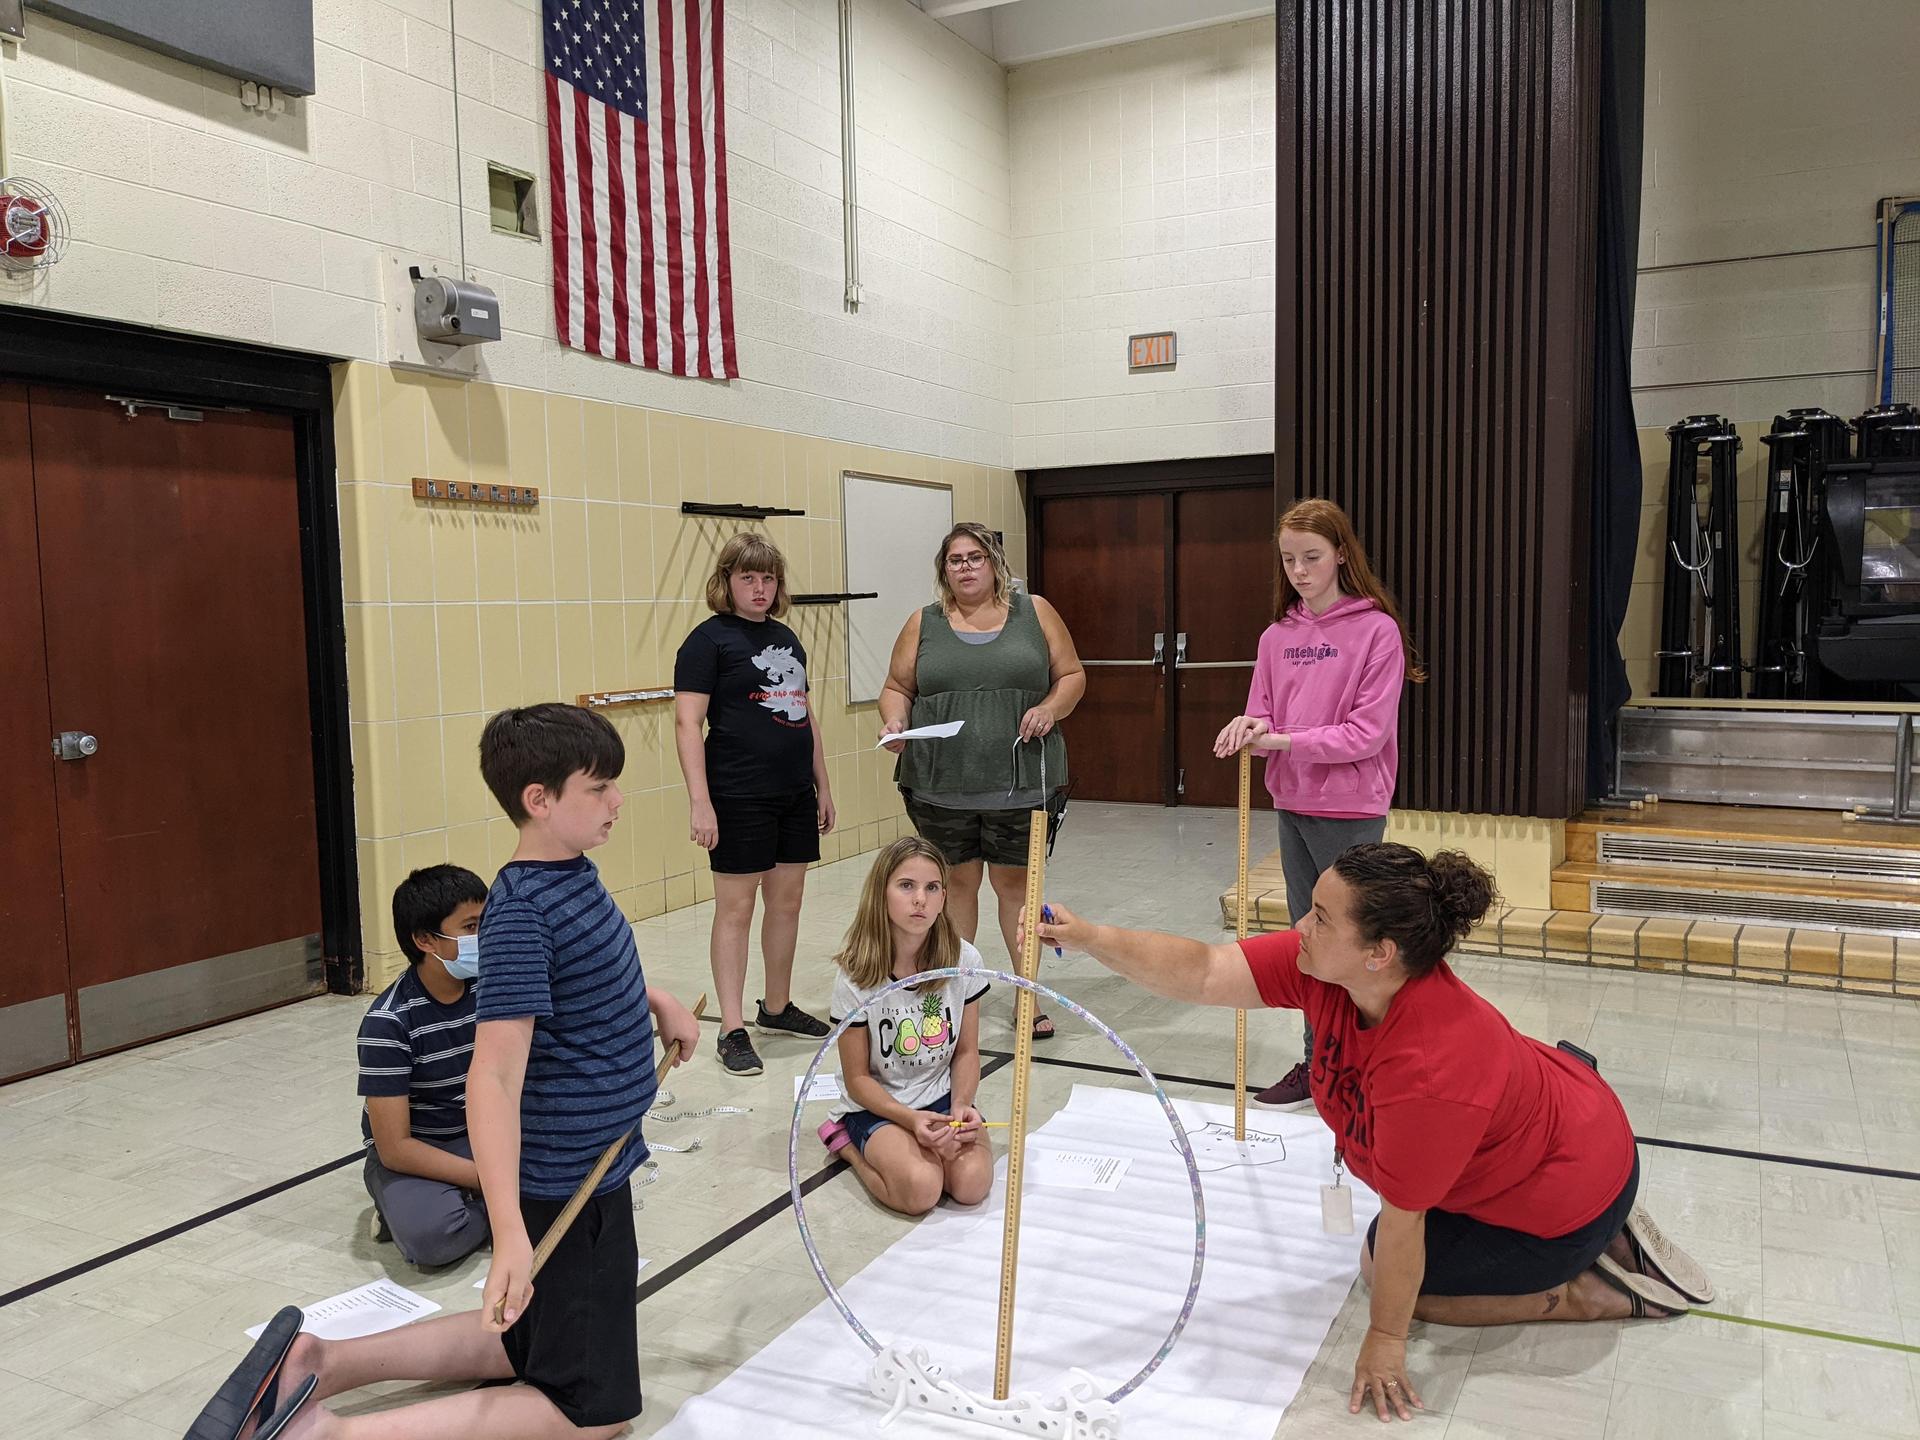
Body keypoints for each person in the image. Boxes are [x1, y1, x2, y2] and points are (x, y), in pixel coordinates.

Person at [1029, 843, 1713, 1425]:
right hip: (1560, 1121)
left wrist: (1386, 1338)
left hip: (1570, 1189)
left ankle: (1585, 1291)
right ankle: (1592, 1225)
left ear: (1381, 953)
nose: (1300, 925)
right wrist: (1092, 939)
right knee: (1397, 1243)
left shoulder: (1430, 1071)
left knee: (1383, 1270)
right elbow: (1207, 973)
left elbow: (1404, 1224)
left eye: (1320, 918)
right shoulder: (1331, 972)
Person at [193, 703, 702, 1440]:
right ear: (540, 800)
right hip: (567, 1179)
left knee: (526, 1336)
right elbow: (490, 1079)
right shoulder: (525, 911)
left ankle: (319, 1361)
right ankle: (326, 1434)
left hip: (592, 1163)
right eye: (599, 787)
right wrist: (511, 1232)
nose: (617, 801)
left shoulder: (567, 878)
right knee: (592, 1414)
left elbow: (581, 980)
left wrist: (657, 1000)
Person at [1212, 499, 1424, 1108]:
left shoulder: (1375, 630)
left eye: (1312, 557)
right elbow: (1264, 712)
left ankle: (1370, 1062)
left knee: (1358, 943)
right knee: (1311, 939)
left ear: (1340, 555)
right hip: (1293, 800)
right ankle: (1319, 1061)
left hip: (1351, 807)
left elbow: (1367, 734)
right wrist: (1247, 727)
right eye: (1289, 559)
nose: (1300, 571)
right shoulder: (1278, 635)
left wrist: (1278, 739)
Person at [878, 522, 1084, 1041]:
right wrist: (896, 721)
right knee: (953, 888)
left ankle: (1027, 997)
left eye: (975, 557)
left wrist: (1050, 709)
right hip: (939, 784)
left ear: (995, 563)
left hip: (1021, 781)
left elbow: (1072, 676)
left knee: (1017, 887)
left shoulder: (1034, 612)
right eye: (955, 559)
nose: (965, 567)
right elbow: (897, 686)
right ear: (943, 570)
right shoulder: (923, 622)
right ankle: (948, 996)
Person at [674, 532, 835, 1077]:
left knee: (786, 903)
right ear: (728, 582)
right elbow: (687, 723)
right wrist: (701, 801)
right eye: (749, 577)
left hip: (794, 792)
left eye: (768, 578)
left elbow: (803, 714)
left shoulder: (788, 638)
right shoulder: (707, 641)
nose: (760, 588)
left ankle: (777, 1006)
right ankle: (733, 1027)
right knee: (736, 910)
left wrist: (824, 786)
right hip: (737, 794)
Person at [817, 837, 994, 1216]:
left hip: (942, 1097)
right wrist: (911, 1120)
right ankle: (846, 1144)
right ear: (881, 893)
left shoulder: (963, 959)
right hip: (880, 1106)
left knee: (972, 1185)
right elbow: (858, 1079)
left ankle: (934, 1136)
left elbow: (966, 1051)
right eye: (906, 886)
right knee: (920, 1190)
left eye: (932, 888)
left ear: (944, 898)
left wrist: (961, 1105)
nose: (920, 900)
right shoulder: (856, 975)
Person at [356, 864, 491, 1268]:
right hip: (421, 1149)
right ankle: (401, 1201)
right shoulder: (388, 1022)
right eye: (470, 927)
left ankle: (485, 1202)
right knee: (432, 1239)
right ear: (425, 940)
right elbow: (396, 1147)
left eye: (486, 922)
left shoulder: (493, 987)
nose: (483, 937)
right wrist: (489, 1181)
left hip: (487, 1132)